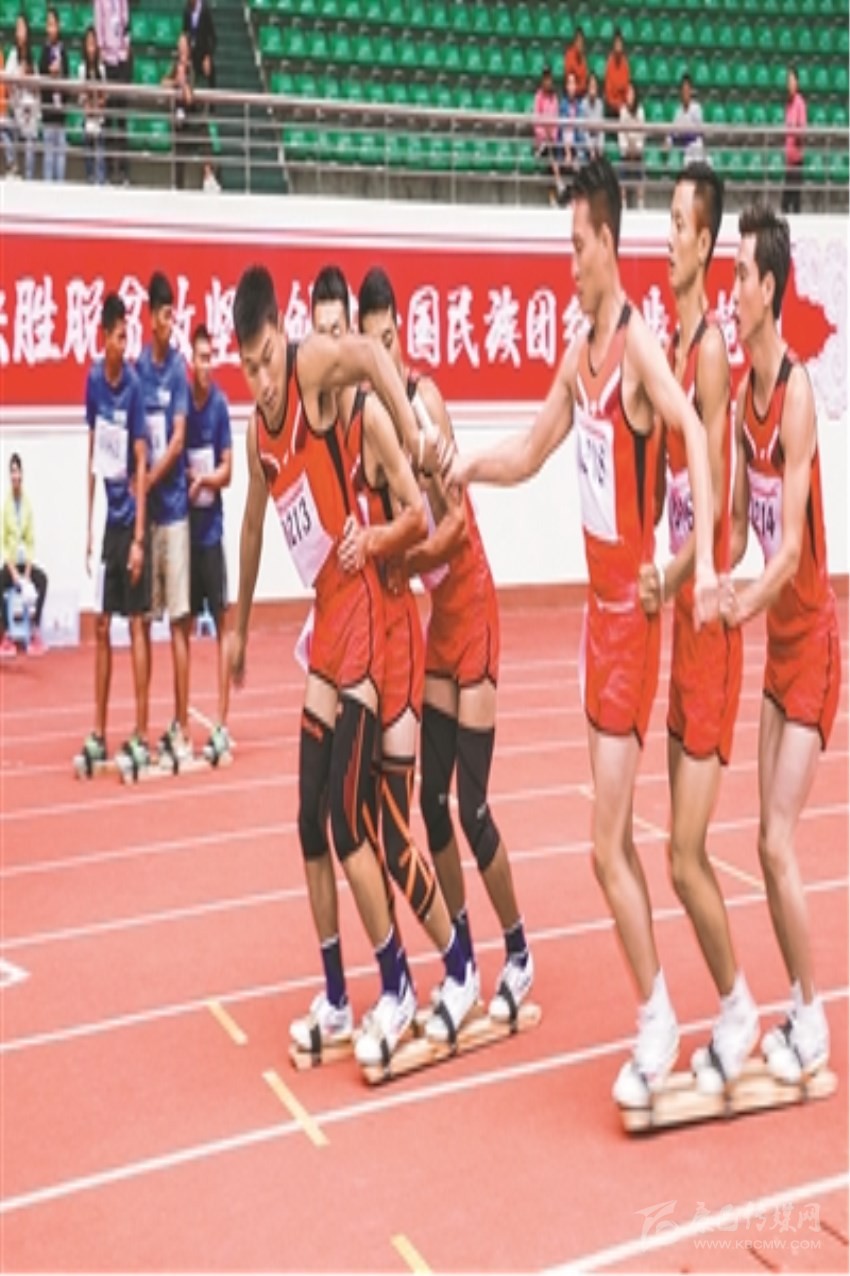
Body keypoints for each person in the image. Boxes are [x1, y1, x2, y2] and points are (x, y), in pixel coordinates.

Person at [446, 156, 719, 1105]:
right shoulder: (579, 355)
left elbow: (694, 433)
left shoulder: (638, 347)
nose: (568, 264)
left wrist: (692, 562)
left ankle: (658, 1021)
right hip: (594, 628)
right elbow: (531, 450)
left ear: (607, 242)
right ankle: (668, 1012)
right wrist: (464, 466)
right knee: (612, 845)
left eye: (575, 247)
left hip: (631, 622)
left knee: (605, 847)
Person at [229, 264, 446, 1067]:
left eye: (265, 360)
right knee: (307, 822)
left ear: (281, 339)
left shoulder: (310, 368)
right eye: (248, 368)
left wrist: (412, 428)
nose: (261, 381)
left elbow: (370, 356)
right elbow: (254, 528)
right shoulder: (256, 432)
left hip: (362, 613)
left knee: (350, 820)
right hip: (325, 624)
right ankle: (335, 994)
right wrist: (238, 627)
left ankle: (399, 985)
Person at [359, 265, 536, 1028]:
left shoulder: (424, 402)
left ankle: (520, 952)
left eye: (386, 340)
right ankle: (462, 956)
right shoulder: (374, 423)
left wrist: (405, 562)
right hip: (437, 628)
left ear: (398, 333)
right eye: (368, 348)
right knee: (430, 806)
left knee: (472, 804)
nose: (381, 357)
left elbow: (457, 525)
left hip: (475, 612)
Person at [311, 265, 478, 1044]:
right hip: (364, 635)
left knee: (388, 817)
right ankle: (412, 974)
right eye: (322, 335)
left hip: (401, 637)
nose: (331, 347)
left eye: (341, 334)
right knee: (366, 818)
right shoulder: (331, 419)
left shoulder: (380, 415)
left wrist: (379, 545)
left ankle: (459, 965)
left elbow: (427, 518)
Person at [638, 162, 758, 1094]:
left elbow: (719, 514)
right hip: (683, 625)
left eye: (681, 223)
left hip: (710, 631)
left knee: (683, 853)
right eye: (669, 219)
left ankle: (740, 1008)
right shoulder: (673, 346)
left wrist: (678, 575)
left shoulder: (710, 353)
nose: (668, 234)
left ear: (707, 243)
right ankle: (733, 1005)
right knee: (678, 856)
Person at [723, 202, 839, 1083]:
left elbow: (792, 550)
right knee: (763, 841)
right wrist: (699, 571)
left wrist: (743, 602)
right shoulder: (741, 399)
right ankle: (798, 1009)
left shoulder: (794, 396)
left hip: (812, 645)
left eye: (739, 277)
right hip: (774, 643)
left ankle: (815, 1016)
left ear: (770, 287)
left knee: (774, 841)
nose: (731, 291)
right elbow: (738, 526)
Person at [78, 293, 151, 774]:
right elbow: (92, 452)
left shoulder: (134, 387)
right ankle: (100, 731)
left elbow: (142, 460)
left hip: (133, 525)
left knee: (138, 624)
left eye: (128, 336)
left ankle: (141, 733)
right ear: (104, 336)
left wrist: (140, 538)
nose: (125, 344)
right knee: (103, 625)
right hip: (109, 526)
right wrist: (88, 525)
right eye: (120, 336)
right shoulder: (94, 383)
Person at [136, 272, 192, 765]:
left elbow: (176, 440)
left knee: (178, 622)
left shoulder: (178, 370)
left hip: (173, 514)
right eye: (166, 313)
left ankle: (181, 725)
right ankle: (142, 726)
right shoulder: (139, 369)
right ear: (150, 317)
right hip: (146, 518)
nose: (171, 321)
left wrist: (148, 481)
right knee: (143, 623)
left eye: (174, 313)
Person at [185, 322, 233, 763]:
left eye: (210, 357)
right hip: (184, 533)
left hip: (211, 534)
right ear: (190, 360)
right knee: (181, 625)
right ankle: (181, 723)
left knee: (221, 625)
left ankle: (221, 722)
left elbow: (228, 471)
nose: (206, 364)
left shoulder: (219, 406)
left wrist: (205, 480)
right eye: (200, 357)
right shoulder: (183, 403)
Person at [0, 453, 48, 657]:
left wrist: (27, 573)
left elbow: (30, 541)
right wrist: (13, 572)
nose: (15, 476)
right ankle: (6, 634)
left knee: (42, 580)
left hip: (24, 564)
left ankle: (34, 629)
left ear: (22, 474)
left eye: (17, 471)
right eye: (12, 472)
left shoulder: (27, 506)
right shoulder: (5, 506)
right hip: (12, 565)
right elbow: (3, 543)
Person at [93, 0, 131, 183]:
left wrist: (126, 45)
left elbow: (126, 23)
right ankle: (108, 169)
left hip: (122, 58)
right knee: (108, 117)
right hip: (108, 58)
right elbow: (99, 24)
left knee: (121, 117)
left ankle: (124, 169)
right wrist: (101, 50)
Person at [6, 14, 39, 181]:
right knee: (5, 129)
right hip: (16, 105)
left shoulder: (32, 55)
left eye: (22, 27)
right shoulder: (13, 54)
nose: (20, 32)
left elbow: (38, 84)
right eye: (18, 28)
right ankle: (13, 166)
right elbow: (6, 78)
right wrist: (18, 75)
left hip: (30, 107)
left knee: (29, 143)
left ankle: (29, 176)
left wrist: (29, 75)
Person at [38, 6, 69, 182]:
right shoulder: (44, 50)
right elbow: (41, 73)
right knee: (49, 154)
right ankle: (48, 186)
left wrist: (60, 73)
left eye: (53, 24)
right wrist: (49, 72)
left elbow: (68, 77)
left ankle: (60, 187)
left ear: (58, 26)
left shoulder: (63, 50)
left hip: (61, 110)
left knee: (60, 154)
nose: (50, 28)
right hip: (48, 109)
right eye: (48, 24)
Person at [162, 33, 196, 190]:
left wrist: (184, 83)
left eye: (183, 45)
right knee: (177, 153)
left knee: (185, 151)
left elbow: (189, 97)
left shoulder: (192, 68)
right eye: (179, 45)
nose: (181, 48)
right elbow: (163, 83)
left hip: (191, 117)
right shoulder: (175, 66)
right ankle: (176, 185)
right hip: (176, 115)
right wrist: (176, 81)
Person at [79, 24, 107, 185]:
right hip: (87, 118)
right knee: (89, 156)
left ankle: (101, 182)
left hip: (99, 119)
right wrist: (87, 105)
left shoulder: (101, 69)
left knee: (100, 155)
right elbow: (81, 95)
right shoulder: (81, 69)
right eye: (88, 43)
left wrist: (99, 103)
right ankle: (90, 180)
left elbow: (105, 93)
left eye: (93, 43)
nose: (91, 47)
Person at [532, 64, 564, 205]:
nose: (548, 82)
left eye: (549, 79)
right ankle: (558, 186)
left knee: (554, 154)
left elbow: (556, 119)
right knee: (550, 155)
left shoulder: (554, 98)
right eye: (545, 79)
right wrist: (544, 134)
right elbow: (536, 120)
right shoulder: (538, 97)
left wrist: (553, 134)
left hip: (553, 139)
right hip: (542, 141)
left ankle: (555, 194)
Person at [782, 67, 806, 214]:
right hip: (789, 158)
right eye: (788, 81)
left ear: (797, 83)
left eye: (792, 80)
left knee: (793, 198)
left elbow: (802, 128)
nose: (789, 84)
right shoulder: (789, 103)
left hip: (796, 157)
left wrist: (795, 131)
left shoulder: (799, 103)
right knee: (788, 199)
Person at [618, 81, 645, 211]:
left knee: (640, 167)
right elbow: (621, 132)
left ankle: (640, 203)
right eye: (627, 93)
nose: (629, 96)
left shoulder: (640, 111)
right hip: (626, 149)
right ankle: (623, 203)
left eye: (631, 93)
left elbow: (641, 132)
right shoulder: (623, 111)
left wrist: (636, 148)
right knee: (623, 168)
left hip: (637, 149)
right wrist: (626, 148)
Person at [669, 73, 705, 167]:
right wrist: (669, 140)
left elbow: (699, 132)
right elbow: (673, 131)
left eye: (687, 89)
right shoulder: (678, 111)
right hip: (684, 151)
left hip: (696, 150)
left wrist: (683, 137)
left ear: (691, 91)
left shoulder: (696, 108)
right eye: (683, 90)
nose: (685, 93)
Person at [182, 0, 216, 88]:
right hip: (192, 54)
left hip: (204, 53)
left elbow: (212, 37)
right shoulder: (187, 11)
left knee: (209, 81)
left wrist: (208, 56)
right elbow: (185, 32)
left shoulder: (205, 11)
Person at [603, 29, 630, 121]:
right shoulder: (609, 63)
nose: (618, 46)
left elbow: (626, 87)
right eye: (616, 43)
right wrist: (615, 103)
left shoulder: (625, 63)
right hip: (611, 106)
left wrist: (622, 104)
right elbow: (608, 90)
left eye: (620, 44)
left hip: (622, 106)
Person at [563, 27, 588, 100]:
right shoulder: (569, 55)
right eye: (578, 41)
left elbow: (584, 79)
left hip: (581, 94)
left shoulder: (583, 58)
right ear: (574, 42)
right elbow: (568, 77)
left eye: (581, 42)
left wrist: (580, 89)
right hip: (570, 94)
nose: (580, 44)